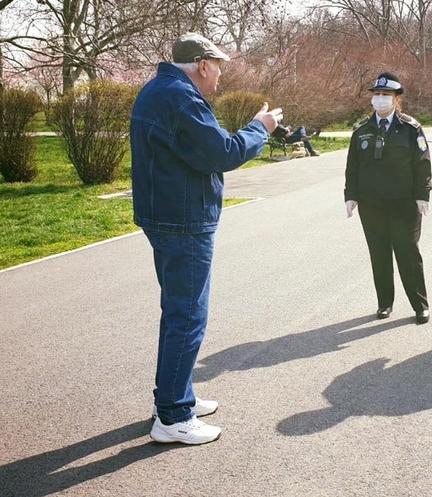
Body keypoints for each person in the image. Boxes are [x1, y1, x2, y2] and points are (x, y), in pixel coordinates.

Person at [130, 33, 283, 444]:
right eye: (218, 68)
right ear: (202, 65)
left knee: (179, 312)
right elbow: (223, 153)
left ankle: (177, 396)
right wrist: (260, 127)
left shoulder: (161, 90)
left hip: (166, 215)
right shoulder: (181, 98)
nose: (219, 77)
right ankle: (174, 417)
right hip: (183, 221)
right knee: (187, 316)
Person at [344, 72, 432, 324]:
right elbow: (353, 166)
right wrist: (350, 196)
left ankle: (420, 305)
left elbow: (422, 164)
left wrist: (422, 195)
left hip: (404, 204)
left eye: (386, 95)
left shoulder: (410, 128)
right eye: (377, 95)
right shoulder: (361, 129)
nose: (381, 99)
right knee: (379, 254)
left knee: (408, 254)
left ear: (396, 99)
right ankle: (385, 302)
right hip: (372, 204)